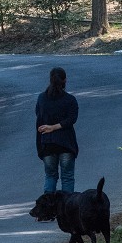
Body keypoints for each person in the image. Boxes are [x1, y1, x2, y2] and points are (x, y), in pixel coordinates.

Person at [35, 66, 79, 194]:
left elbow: (39, 121)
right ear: (65, 81)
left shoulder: (42, 99)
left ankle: (47, 210)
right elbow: (72, 119)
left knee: (50, 176)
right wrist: (56, 127)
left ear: (50, 80)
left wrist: (40, 145)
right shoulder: (70, 100)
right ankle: (67, 209)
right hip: (66, 143)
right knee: (67, 177)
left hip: (48, 144)